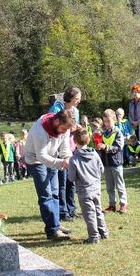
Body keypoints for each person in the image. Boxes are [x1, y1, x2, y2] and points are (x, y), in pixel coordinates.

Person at [24, 110, 75, 241]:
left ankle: (56, 224)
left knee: (55, 193)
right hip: (36, 161)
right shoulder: (39, 130)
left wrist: (68, 158)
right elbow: (41, 157)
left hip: (52, 159)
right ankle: (52, 231)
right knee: (46, 195)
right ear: (57, 121)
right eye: (63, 129)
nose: (64, 132)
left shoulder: (65, 127)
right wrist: (62, 163)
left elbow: (64, 148)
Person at [68, 128, 109, 243]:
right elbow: (101, 169)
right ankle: (103, 232)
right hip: (96, 188)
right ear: (88, 141)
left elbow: (71, 177)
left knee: (89, 214)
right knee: (98, 210)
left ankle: (94, 236)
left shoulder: (74, 159)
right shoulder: (95, 154)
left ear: (74, 142)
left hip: (84, 191)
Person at [49, 87, 81, 223]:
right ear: (69, 97)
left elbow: (73, 126)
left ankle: (72, 209)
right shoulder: (56, 110)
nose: (79, 101)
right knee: (61, 182)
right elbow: (52, 128)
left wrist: (76, 128)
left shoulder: (76, 111)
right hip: (59, 150)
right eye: (77, 98)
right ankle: (63, 211)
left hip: (71, 148)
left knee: (71, 180)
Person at [98, 109, 128, 213]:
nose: (106, 124)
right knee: (109, 186)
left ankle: (123, 204)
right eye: (105, 121)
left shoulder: (118, 132)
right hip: (106, 163)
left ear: (114, 119)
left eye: (108, 121)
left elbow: (118, 146)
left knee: (119, 185)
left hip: (116, 163)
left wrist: (105, 147)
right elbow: (101, 147)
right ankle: (112, 205)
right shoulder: (104, 133)